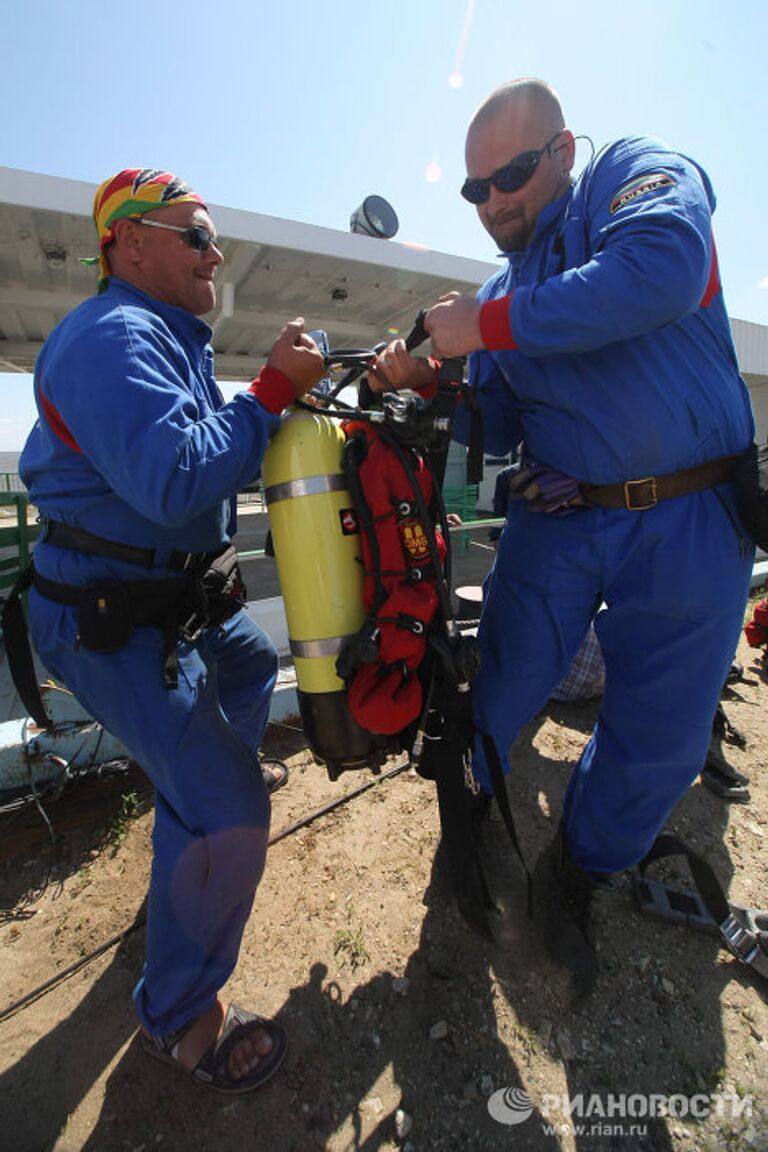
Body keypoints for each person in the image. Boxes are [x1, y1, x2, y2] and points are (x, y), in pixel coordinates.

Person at [369, 79, 756, 995]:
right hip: (560, 519)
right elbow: (494, 426)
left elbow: (659, 269)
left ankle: (576, 870)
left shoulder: (636, 176)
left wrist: (484, 324)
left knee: (660, 733)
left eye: (510, 173)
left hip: (694, 519)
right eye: (475, 188)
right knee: (502, 680)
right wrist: (435, 386)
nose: (493, 199)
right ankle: (468, 808)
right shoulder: (503, 293)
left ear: (565, 151)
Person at [18, 168, 326, 1089]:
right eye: (196, 235)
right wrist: (269, 390)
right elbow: (178, 481)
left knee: (245, 663)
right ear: (130, 242)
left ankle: (187, 827)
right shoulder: (111, 336)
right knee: (233, 805)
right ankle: (178, 1014)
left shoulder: (165, 338)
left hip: (176, 606)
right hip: (109, 622)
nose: (215, 253)